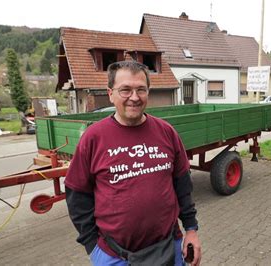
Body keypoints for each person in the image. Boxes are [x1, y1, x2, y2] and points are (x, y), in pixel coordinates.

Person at [65, 60, 201, 266]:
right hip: (114, 256)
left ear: (148, 92)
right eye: (125, 90)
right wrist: (92, 246)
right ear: (110, 93)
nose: (134, 97)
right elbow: (77, 196)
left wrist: (191, 230)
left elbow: (182, 186)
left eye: (141, 90)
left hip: (168, 247)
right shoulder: (93, 138)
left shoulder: (166, 132)